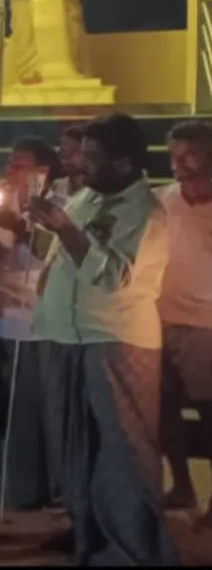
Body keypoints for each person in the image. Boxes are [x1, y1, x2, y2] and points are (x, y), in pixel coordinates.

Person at [26, 112, 177, 565]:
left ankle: (131, 548)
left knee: (123, 451)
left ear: (125, 163)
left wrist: (66, 230)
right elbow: (63, 257)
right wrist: (39, 229)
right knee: (74, 445)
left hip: (114, 341)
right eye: (81, 154)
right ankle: (87, 533)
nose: (80, 164)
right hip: (65, 336)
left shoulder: (145, 212)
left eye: (92, 157)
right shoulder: (86, 197)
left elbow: (115, 279)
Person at [0, 137, 66, 509]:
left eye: (20, 164)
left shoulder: (59, 207)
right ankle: (3, 484)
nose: (10, 170)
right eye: (9, 162)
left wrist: (21, 228)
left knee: (32, 410)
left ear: (43, 171)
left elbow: (55, 252)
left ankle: (40, 487)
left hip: (35, 323)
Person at [156, 120, 212, 521]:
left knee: (209, 413)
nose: (178, 162)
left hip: (206, 325)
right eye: (173, 154)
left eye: (189, 153)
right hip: (158, 319)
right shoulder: (160, 200)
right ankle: (181, 486)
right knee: (163, 409)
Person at [51, 122, 87, 198]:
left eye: (73, 151)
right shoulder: (57, 187)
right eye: (63, 151)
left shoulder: (97, 191)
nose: (66, 157)